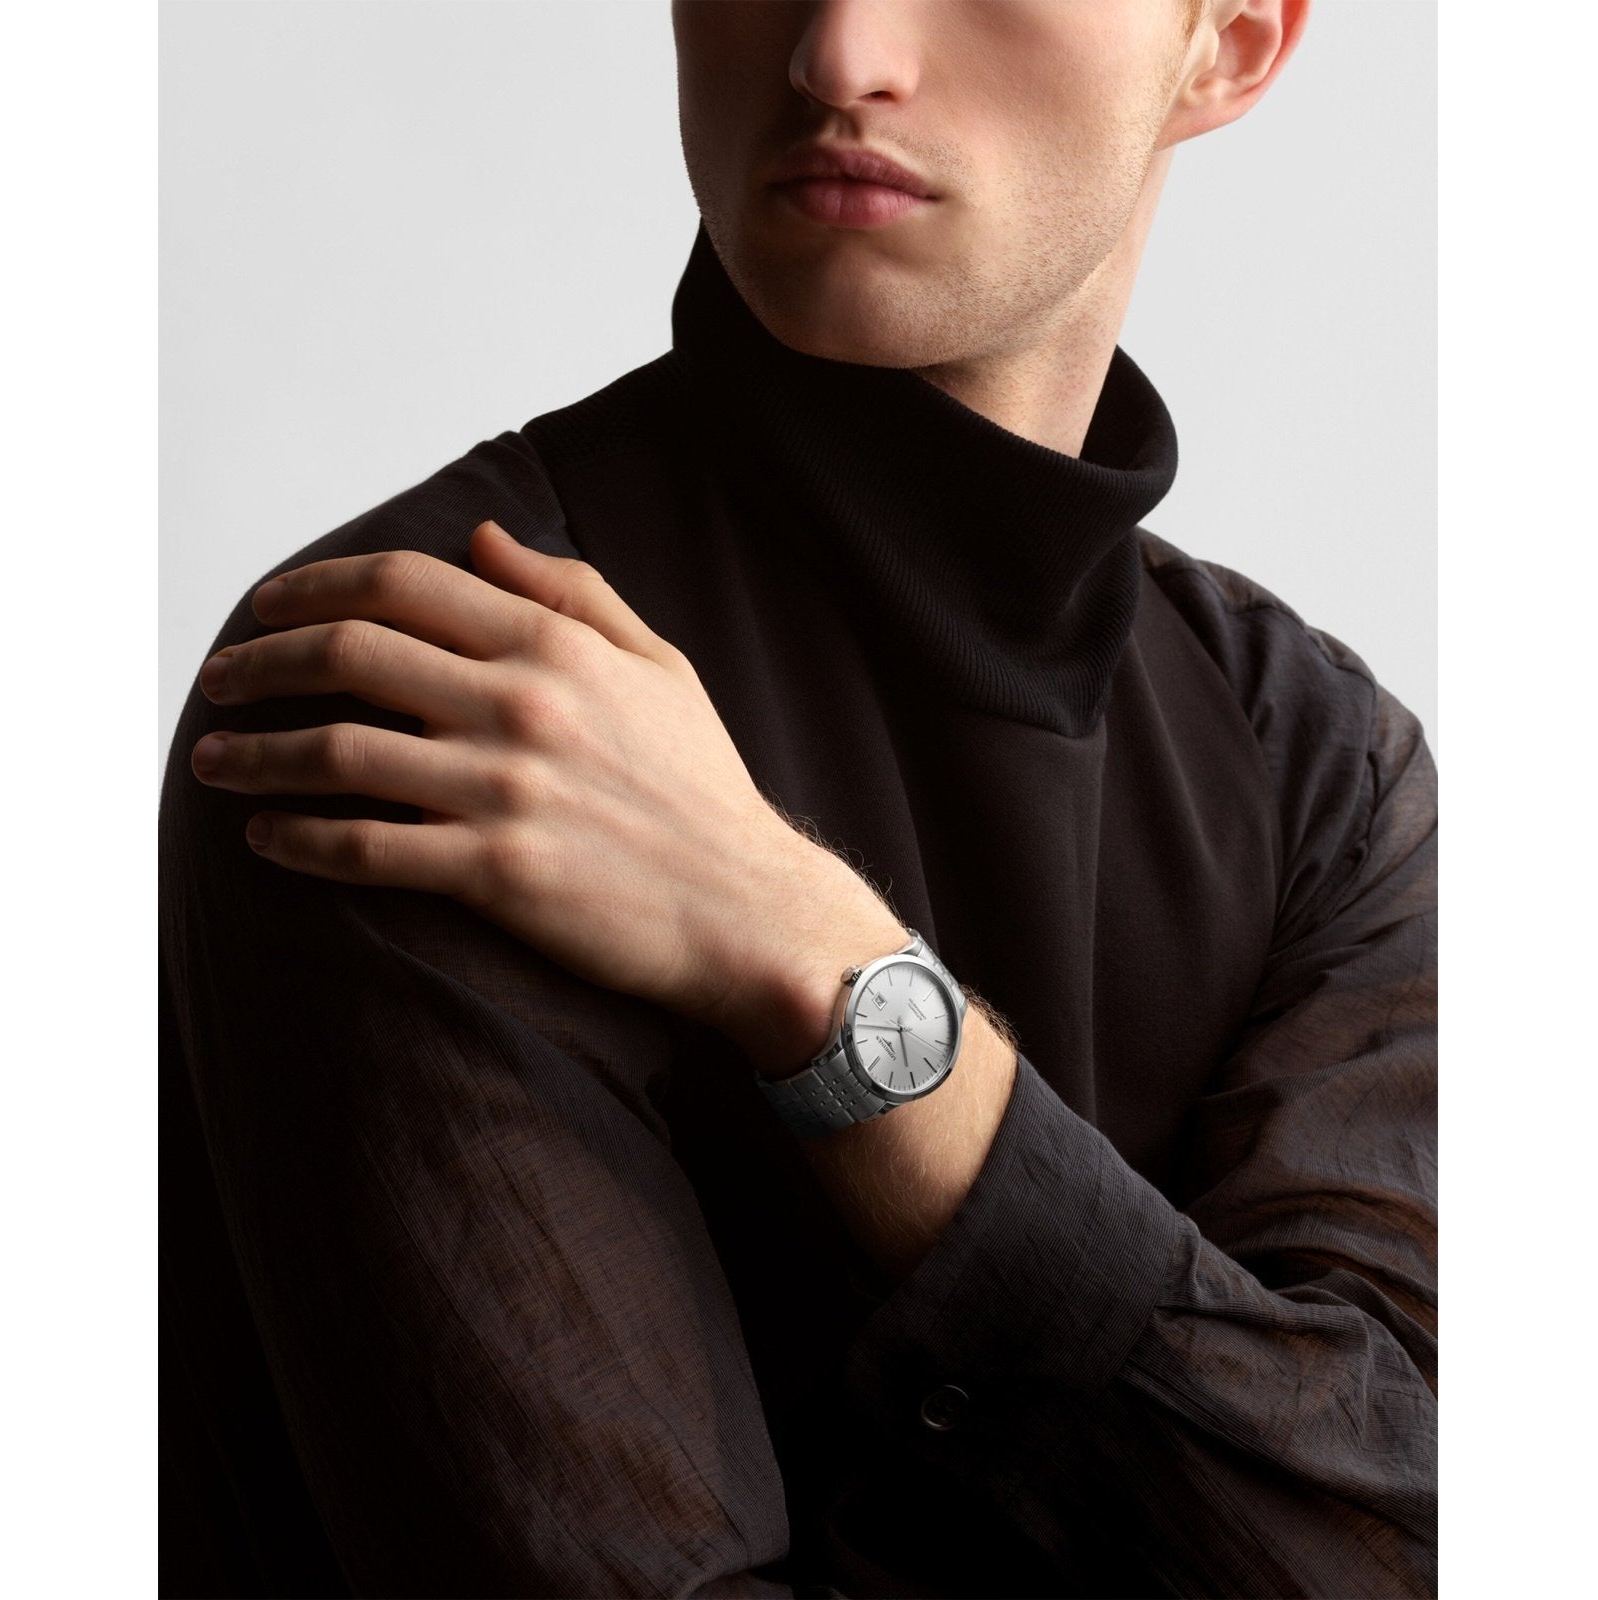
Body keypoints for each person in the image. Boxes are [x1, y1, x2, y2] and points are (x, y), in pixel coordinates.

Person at [159, 0, 1436, 1595]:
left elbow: (1403, 1541)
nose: (837, 58)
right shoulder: (435, 685)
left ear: (1231, 41)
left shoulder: (1318, 762)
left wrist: (828, 970)